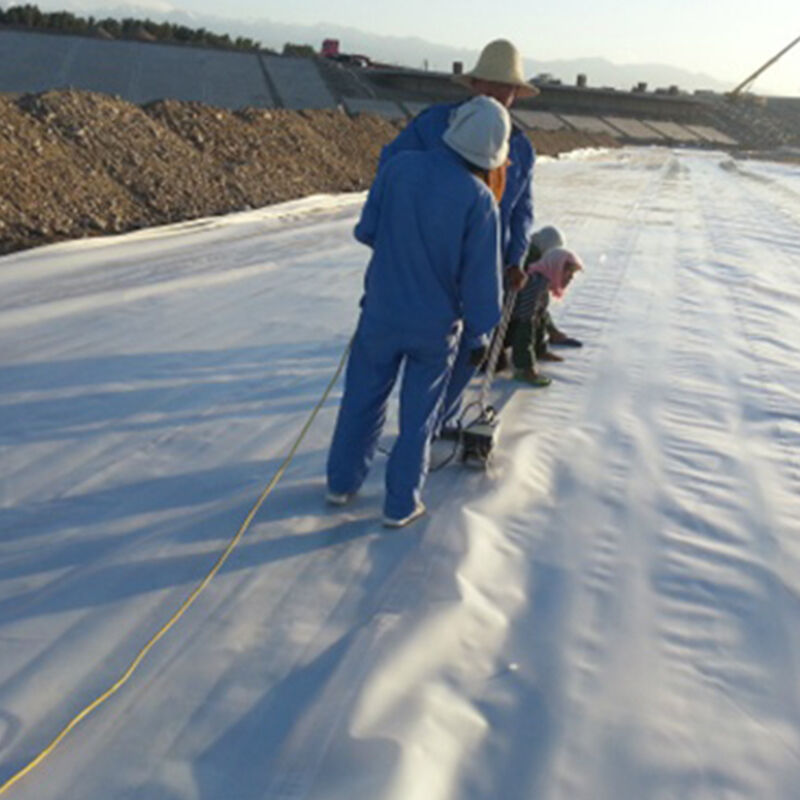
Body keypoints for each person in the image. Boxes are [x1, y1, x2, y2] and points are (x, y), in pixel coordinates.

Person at [326, 96, 510, 528]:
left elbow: (367, 230)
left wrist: (400, 253)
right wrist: (480, 336)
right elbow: (482, 284)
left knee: (361, 401)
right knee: (418, 418)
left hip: (380, 315)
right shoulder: (480, 200)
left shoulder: (399, 168)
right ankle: (400, 505)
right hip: (434, 329)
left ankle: (341, 484)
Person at [377, 39, 539, 434]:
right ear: (475, 84)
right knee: (411, 350)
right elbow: (390, 168)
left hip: (486, 267)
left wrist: (516, 260)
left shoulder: (521, 147)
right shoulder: (434, 124)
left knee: (472, 349)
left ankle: (437, 421)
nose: (500, 95)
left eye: (508, 89)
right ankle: (405, 436)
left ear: (516, 94)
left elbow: (521, 212)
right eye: (492, 85)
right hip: (430, 263)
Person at [511, 247, 584, 385]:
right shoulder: (534, 284)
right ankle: (522, 368)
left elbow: (540, 315)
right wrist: (526, 367)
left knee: (538, 315)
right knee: (528, 321)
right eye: (569, 273)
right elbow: (524, 325)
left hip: (514, 326)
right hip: (500, 332)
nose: (571, 278)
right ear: (557, 268)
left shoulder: (543, 282)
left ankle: (537, 351)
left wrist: (541, 348)